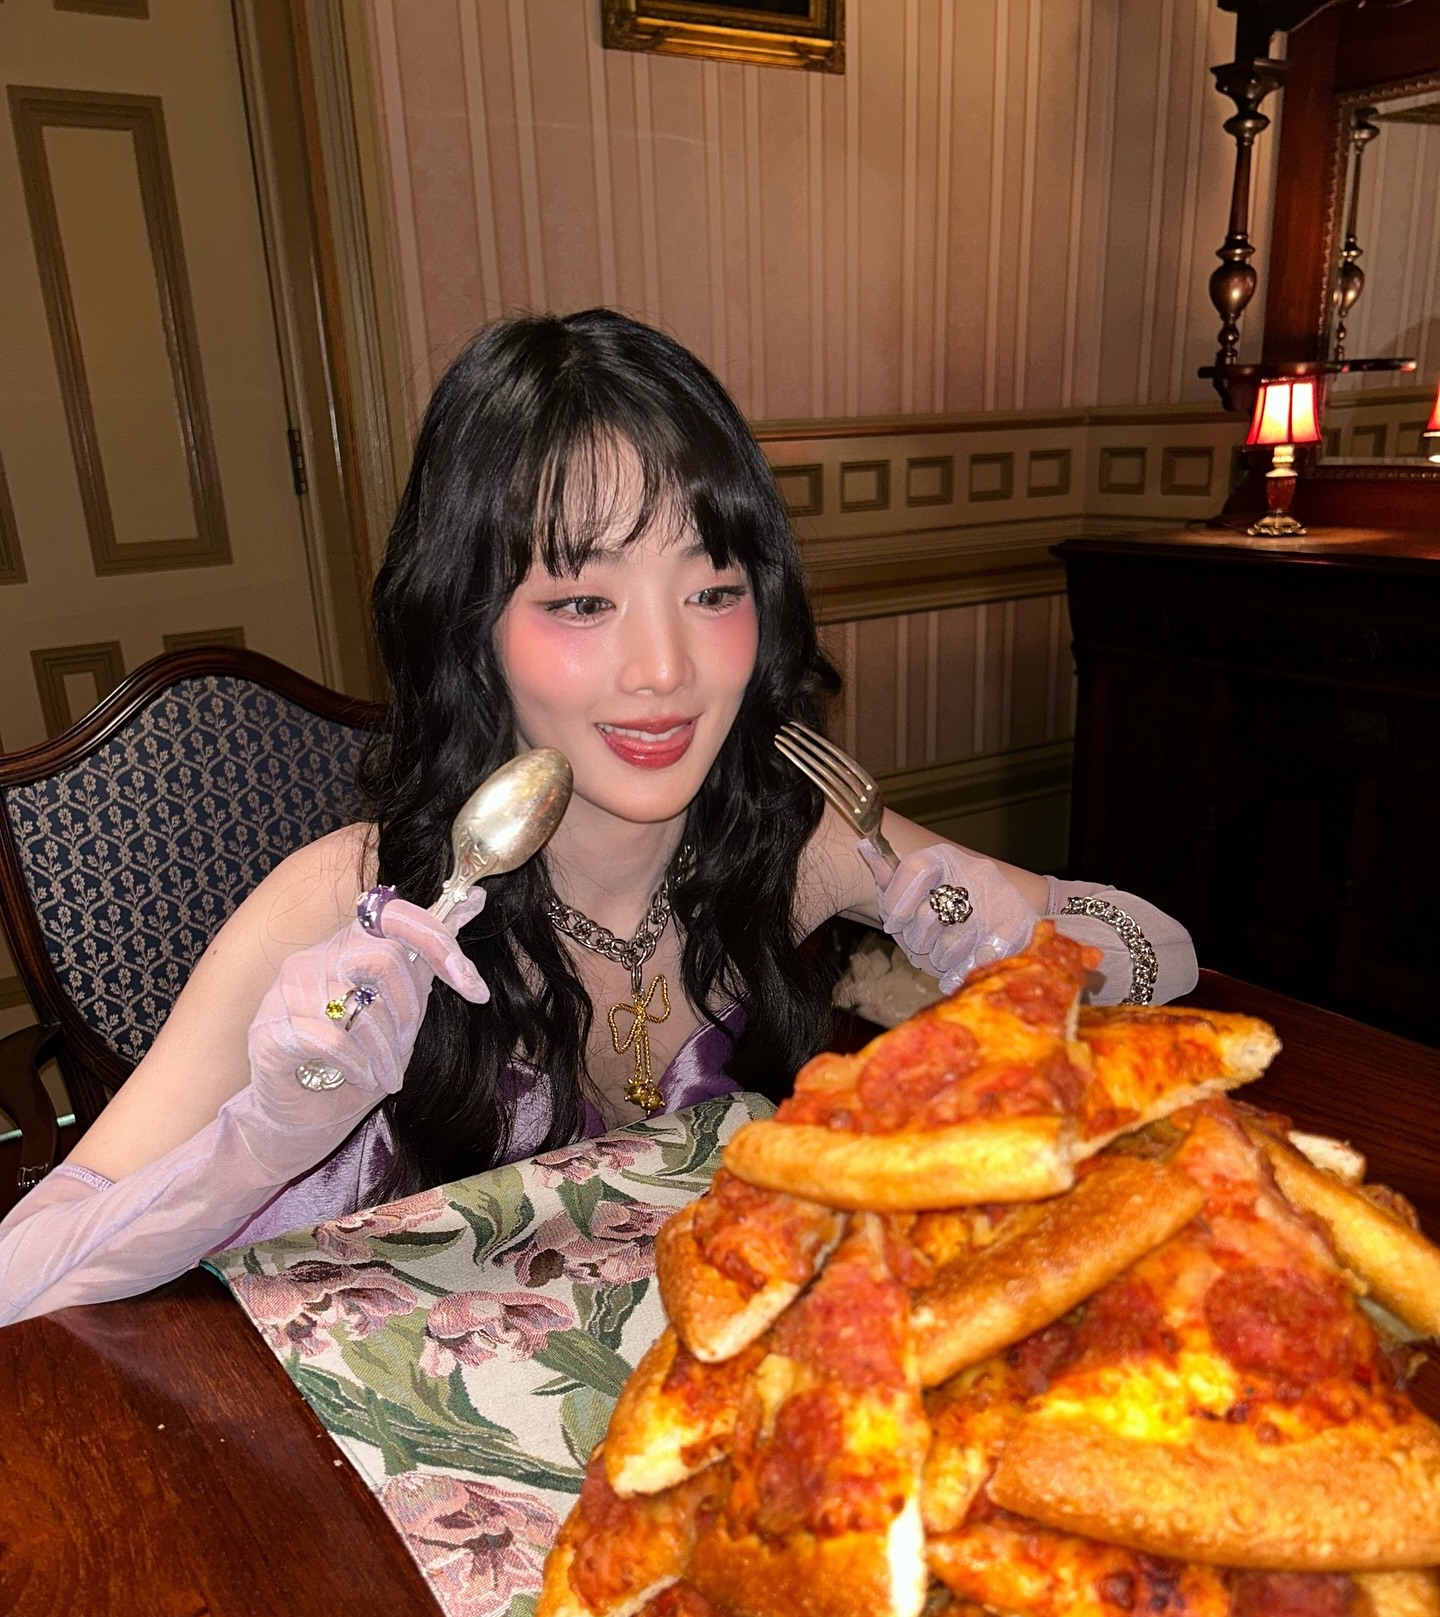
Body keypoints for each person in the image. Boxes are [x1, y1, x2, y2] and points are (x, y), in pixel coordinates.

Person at [0, 310, 1195, 1326]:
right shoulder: (352, 901)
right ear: (472, 624)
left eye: (713, 589)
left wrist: (1014, 939)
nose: (666, 670)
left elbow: (1168, 953)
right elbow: (23, 1273)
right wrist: (270, 1130)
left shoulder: (800, 838)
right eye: (581, 601)